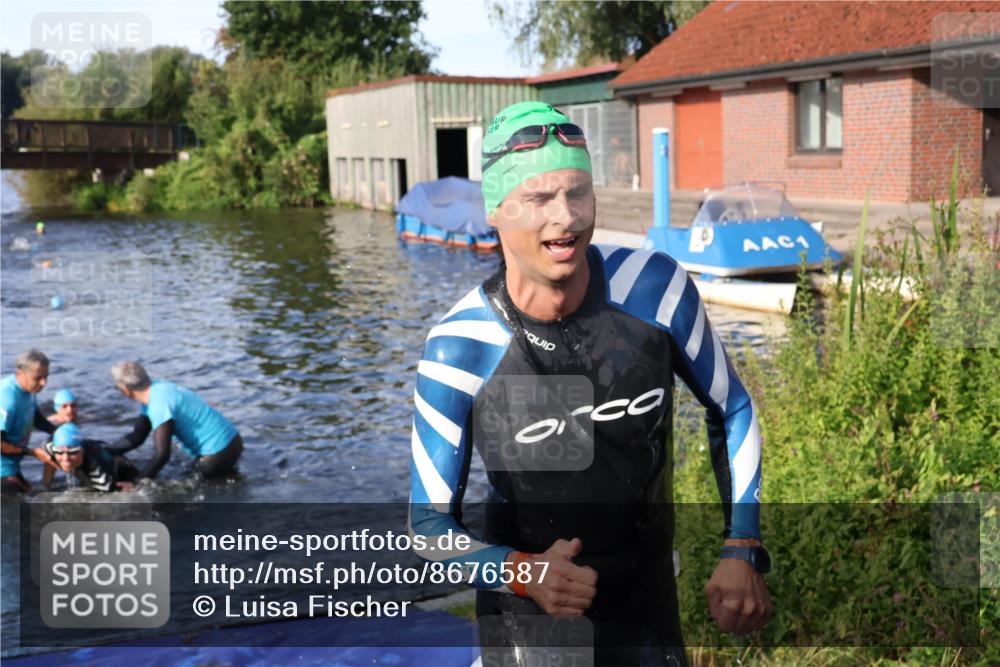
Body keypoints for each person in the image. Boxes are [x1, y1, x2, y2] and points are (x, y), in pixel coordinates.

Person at [408, 102, 772, 666]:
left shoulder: (655, 290)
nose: (567, 217)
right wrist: (521, 572)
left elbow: (733, 407)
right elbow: (428, 527)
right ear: (496, 211)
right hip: (527, 622)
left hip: (647, 608)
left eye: (578, 193)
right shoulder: (460, 347)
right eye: (539, 199)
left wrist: (742, 546)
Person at [106, 361, 242, 479]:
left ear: (126, 391)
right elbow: (138, 435)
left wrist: (137, 484)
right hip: (233, 440)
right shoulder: (157, 389)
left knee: (187, 490)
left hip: (217, 452)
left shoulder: (159, 405)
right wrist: (108, 450)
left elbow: (162, 455)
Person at [1, 349, 58, 493]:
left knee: (34, 495)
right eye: (38, 378)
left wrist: (59, 432)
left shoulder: (29, 389)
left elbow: (35, 417)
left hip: (11, 464)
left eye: (46, 376)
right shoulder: (7, 400)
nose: (44, 383)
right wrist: (33, 452)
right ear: (19, 374)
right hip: (2, 468)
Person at [42, 423, 137, 492]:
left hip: (120, 472)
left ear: (82, 450)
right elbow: (46, 455)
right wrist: (47, 486)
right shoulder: (50, 447)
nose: (65, 458)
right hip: (92, 457)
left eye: (72, 452)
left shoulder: (98, 473)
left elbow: (110, 492)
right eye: (59, 452)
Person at [43, 387, 79, 487]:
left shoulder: (84, 419)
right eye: (64, 406)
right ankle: (46, 486)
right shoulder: (49, 422)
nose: (70, 410)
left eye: (73, 405)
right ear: (57, 408)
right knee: (50, 453)